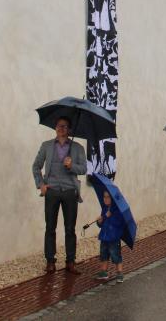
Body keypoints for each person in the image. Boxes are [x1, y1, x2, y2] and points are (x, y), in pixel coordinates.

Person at [32, 116, 89, 274]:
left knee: (70, 229)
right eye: (58, 126)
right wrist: (41, 185)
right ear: (55, 128)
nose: (61, 128)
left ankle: (70, 261)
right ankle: (50, 261)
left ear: (69, 129)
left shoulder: (78, 148)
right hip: (52, 191)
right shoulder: (46, 146)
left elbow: (84, 169)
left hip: (70, 191)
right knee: (50, 227)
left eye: (64, 126)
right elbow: (36, 166)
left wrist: (72, 166)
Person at [94, 191, 126, 283]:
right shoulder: (104, 209)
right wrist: (99, 221)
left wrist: (110, 215)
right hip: (104, 236)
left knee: (115, 254)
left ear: (113, 199)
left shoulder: (117, 210)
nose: (105, 199)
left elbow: (120, 223)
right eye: (104, 197)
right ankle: (104, 271)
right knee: (103, 254)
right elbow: (102, 224)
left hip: (114, 237)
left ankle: (119, 272)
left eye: (108, 197)